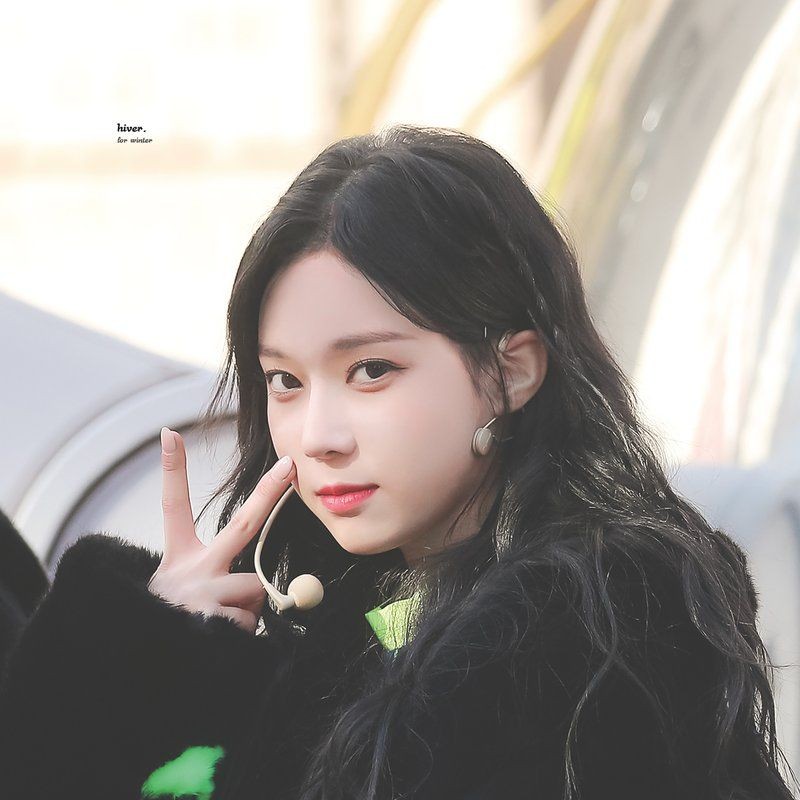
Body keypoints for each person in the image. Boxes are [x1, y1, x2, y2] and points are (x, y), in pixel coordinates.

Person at [0, 124, 796, 800]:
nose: (319, 435)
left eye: (371, 371)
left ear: (512, 372)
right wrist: (141, 657)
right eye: (285, 381)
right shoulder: (340, 627)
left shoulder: (588, 644)